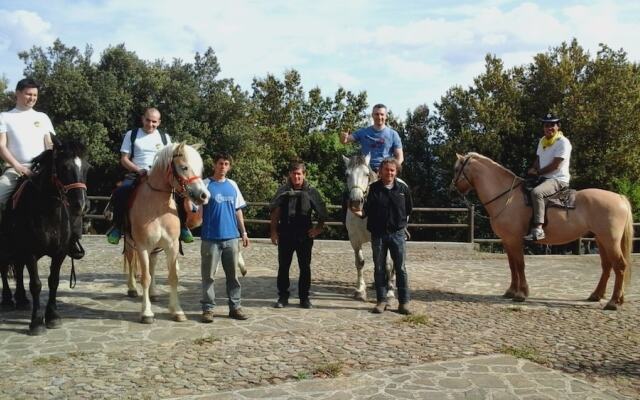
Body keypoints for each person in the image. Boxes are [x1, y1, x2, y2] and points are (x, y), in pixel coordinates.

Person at [0, 78, 83, 259]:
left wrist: (52, 164)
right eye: (29, 94)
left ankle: (72, 239)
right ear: (18, 93)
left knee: (72, 193)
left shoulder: (42, 117)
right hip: (17, 168)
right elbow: (2, 146)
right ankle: (4, 240)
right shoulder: (4, 117)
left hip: (45, 168)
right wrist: (17, 166)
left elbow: (49, 143)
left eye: (35, 95)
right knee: (0, 194)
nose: (32, 98)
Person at [106, 107, 193, 244]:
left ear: (159, 122)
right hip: (137, 173)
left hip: (161, 175)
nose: (150, 124)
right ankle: (117, 227)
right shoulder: (132, 134)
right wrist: (138, 169)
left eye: (154, 122)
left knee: (181, 192)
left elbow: (170, 160)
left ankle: (183, 226)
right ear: (142, 119)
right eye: (148, 120)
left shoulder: (165, 137)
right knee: (121, 191)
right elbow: (124, 159)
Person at [199, 152, 250, 323]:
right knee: (209, 276)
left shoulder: (233, 185)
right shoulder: (205, 185)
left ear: (229, 166)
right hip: (210, 238)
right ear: (214, 165)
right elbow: (194, 209)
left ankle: (235, 307)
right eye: (220, 163)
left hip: (231, 238)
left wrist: (243, 232)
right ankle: (208, 309)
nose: (223, 166)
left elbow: (238, 210)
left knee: (233, 277)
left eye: (226, 163)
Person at [270, 161, 327, 309]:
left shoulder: (311, 192)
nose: (296, 176)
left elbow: (322, 212)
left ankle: (304, 298)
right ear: (290, 174)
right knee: (283, 267)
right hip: (286, 234)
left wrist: (318, 229)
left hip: (304, 236)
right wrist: (274, 232)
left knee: (305, 267)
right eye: (294, 174)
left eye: (299, 174)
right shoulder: (282, 190)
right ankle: (283, 296)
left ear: (304, 175)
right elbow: (275, 211)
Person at [361, 158, 413, 315]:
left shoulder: (403, 189)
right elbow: (367, 210)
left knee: (401, 269)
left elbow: (408, 209)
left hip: (397, 234)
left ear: (396, 172)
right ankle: (381, 301)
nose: (389, 173)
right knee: (379, 268)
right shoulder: (373, 189)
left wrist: (401, 226)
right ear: (380, 171)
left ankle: (404, 303)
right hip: (378, 235)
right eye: (386, 170)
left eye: (392, 170)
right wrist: (357, 212)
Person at [523, 113, 572, 241]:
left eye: (552, 125)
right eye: (546, 125)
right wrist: (533, 169)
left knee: (537, 193)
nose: (549, 127)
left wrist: (538, 173)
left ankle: (539, 229)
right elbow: (539, 159)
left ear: (558, 126)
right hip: (544, 178)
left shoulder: (563, 142)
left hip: (557, 179)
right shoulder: (542, 141)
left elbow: (556, 165)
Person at [340, 103, 404, 172]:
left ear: (386, 116)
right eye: (376, 114)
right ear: (372, 115)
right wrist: (343, 137)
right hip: (366, 170)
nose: (379, 117)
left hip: (385, 171)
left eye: (382, 114)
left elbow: (400, 157)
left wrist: (392, 169)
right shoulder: (363, 132)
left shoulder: (393, 134)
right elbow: (345, 141)